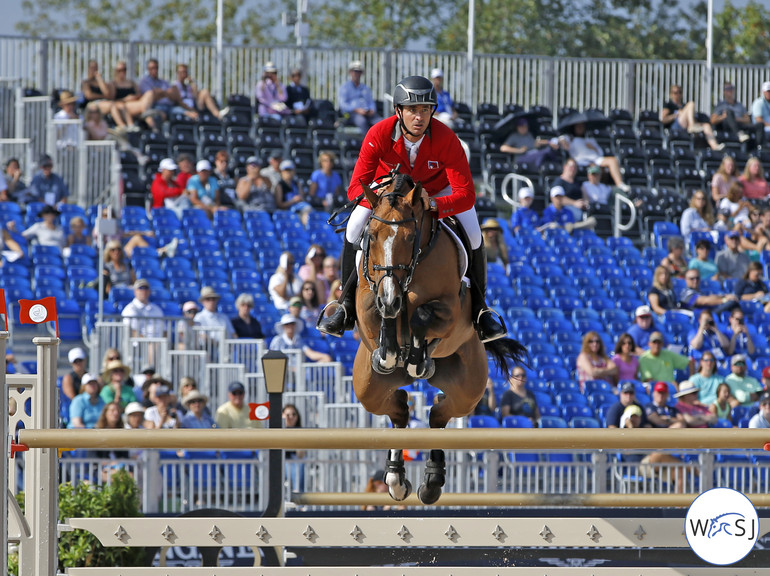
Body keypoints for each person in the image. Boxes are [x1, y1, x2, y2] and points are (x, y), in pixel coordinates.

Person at [317, 75, 506, 343]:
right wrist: (383, 198)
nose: (419, 117)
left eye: (425, 110)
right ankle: (345, 306)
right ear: (399, 111)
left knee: (475, 235)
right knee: (353, 228)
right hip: (387, 192)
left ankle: (480, 310)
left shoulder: (447, 138)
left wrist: (436, 204)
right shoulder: (378, 134)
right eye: (412, 110)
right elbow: (356, 188)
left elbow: (465, 194)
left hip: (436, 192)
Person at [565, 122, 630, 191]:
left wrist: (592, 147)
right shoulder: (570, 139)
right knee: (596, 168)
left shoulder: (590, 139)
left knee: (613, 160)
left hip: (596, 159)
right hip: (582, 161)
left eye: (582, 126)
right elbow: (562, 144)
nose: (580, 128)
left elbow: (600, 152)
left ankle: (620, 184)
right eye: (578, 126)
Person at [660, 84, 724, 151]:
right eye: (675, 93)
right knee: (691, 104)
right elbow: (663, 119)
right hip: (676, 125)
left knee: (706, 125)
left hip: (686, 125)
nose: (678, 95)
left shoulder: (684, 105)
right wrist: (676, 115)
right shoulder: (669, 105)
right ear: (671, 94)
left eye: (679, 92)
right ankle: (692, 126)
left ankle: (714, 146)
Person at [338, 60, 381, 133]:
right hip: (351, 114)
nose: (357, 74)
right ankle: (367, 143)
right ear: (350, 72)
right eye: (355, 71)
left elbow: (371, 102)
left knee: (381, 123)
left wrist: (371, 110)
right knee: (362, 121)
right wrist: (356, 110)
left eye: (359, 71)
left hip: (368, 114)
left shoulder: (366, 88)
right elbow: (343, 105)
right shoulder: (344, 88)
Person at [751, 81, 770, 146]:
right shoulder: (758, 103)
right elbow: (759, 120)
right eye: (768, 91)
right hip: (763, 129)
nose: (769, 93)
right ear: (763, 92)